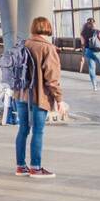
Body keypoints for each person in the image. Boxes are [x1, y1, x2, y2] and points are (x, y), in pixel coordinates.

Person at [13, 16, 62, 179]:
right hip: (39, 96)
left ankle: (21, 166)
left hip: (20, 94)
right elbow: (52, 77)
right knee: (38, 131)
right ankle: (36, 167)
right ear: (47, 28)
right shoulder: (48, 48)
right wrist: (59, 99)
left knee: (23, 129)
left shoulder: (23, 44)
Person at [78, 18, 100, 91]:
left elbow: (83, 44)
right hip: (98, 52)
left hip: (88, 51)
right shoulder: (97, 31)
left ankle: (95, 86)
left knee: (91, 69)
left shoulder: (83, 33)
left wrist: (83, 55)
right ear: (94, 23)